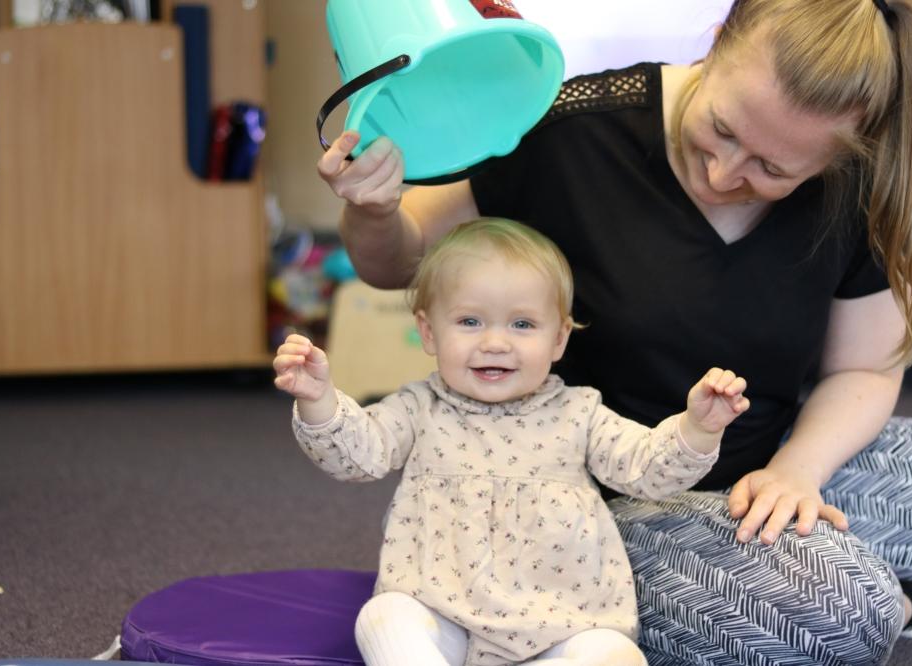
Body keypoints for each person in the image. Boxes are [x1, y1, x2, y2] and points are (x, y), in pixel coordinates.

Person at [315, 0, 912, 663]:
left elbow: (861, 371)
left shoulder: (858, 176)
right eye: (720, 130)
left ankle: (878, 575)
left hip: (768, 460)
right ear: (717, 43)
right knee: (836, 611)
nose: (724, 175)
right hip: (594, 497)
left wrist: (795, 473)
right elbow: (399, 260)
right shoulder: (570, 128)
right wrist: (374, 211)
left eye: (772, 171)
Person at [274, 218, 751, 666]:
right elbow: (357, 454)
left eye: (522, 324)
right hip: (443, 613)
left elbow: (648, 469)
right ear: (428, 332)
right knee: (383, 617)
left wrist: (698, 428)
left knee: (613, 653)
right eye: (470, 322)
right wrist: (319, 399)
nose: (496, 343)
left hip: (563, 622)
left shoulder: (580, 413)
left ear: (559, 339)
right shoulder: (419, 408)